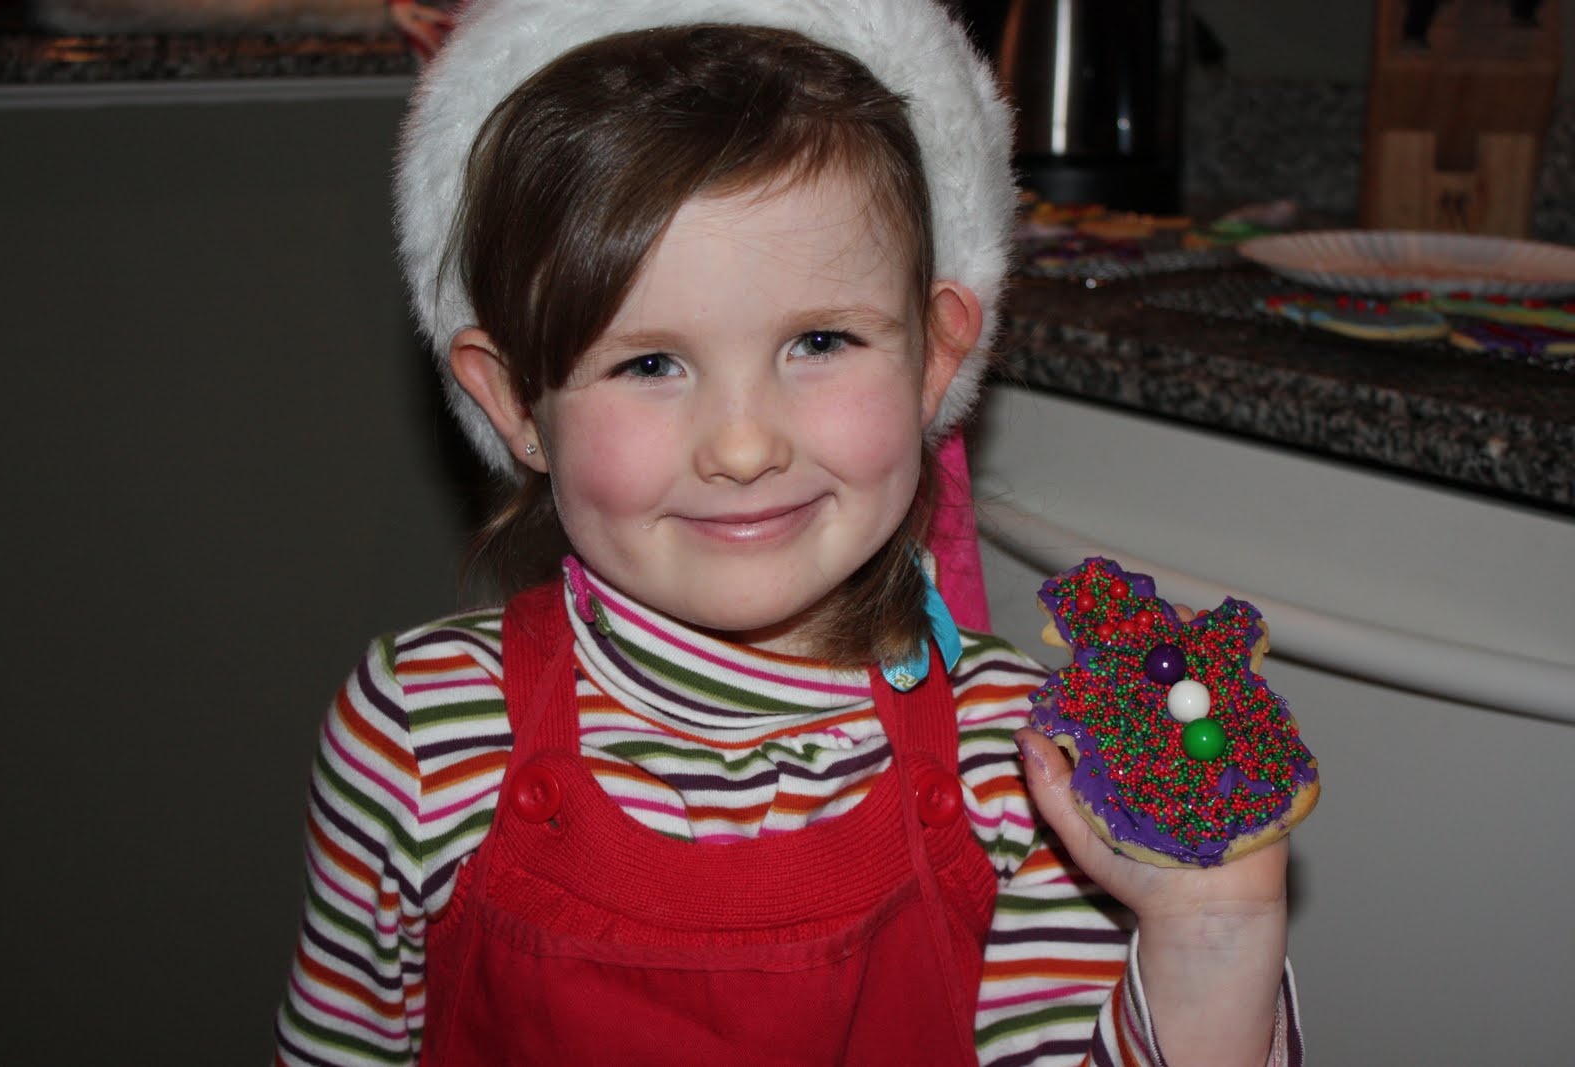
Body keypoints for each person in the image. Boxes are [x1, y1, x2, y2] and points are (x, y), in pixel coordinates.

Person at [275, 1, 1301, 1064]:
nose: (743, 443)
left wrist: (1212, 931)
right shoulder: (419, 736)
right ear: (515, 403)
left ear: (935, 356)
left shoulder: (1023, 757)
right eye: (649, 362)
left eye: (818, 341)